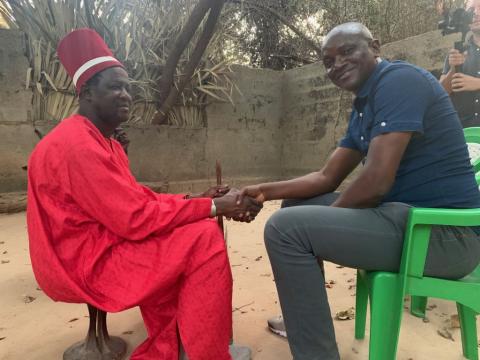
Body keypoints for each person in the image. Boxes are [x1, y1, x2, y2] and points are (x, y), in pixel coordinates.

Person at [239, 22, 480, 359]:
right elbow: (327, 177)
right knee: (294, 207)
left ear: (375, 47)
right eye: (328, 61)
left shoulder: (400, 82)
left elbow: (376, 182)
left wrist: (322, 224)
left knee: (286, 229)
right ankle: (303, 317)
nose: (337, 64)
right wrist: (264, 190)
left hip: (444, 238)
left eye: (348, 51)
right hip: (406, 221)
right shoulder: (365, 104)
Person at [27, 28, 261, 360]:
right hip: (86, 262)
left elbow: (135, 198)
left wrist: (196, 199)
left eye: (128, 88)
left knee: (191, 230)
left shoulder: (103, 140)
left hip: (104, 242)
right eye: (115, 87)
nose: (125, 95)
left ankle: (177, 342)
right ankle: (205, 353)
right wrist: (212, 206)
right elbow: (134, 218)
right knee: (201, 239)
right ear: (87, 94)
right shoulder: (76, 145)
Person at [440, 0, 480, 127]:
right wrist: (453, 70)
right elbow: (441, 93)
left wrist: (477, 83)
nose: (476, 13)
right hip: (463, 133)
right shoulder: (458, 50)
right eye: (471, 10)